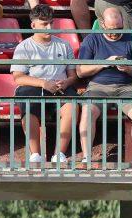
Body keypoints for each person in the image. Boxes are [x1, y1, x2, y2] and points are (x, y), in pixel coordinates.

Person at [76, 7, 132, 165]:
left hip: (127, 87)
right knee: (88, 111)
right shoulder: (91, 39)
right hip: (98, 87)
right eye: (111, 30)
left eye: (119, 29)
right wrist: (104, 63)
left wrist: (128, 68)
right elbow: (80, 71)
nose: (115, 34)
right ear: (102, 24)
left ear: (123, 23)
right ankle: (87, 157)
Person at [11, 4, 78, 164]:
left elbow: (73, 76)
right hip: (33, 87)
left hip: (60, 88)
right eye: (44, 24)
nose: (49, 27)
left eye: (51, 23)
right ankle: (35, 154)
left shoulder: (64, 45)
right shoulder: (23, 46)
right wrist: (43, 83)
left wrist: (66, 82)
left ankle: (59, 154)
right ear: (33, 25)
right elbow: (18, 77)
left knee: (72, 106)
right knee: (28, 107)